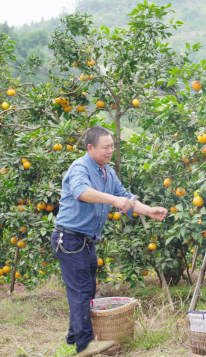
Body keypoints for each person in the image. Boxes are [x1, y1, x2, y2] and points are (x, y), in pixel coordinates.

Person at [52, 126, 167, 357]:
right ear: (90, 147)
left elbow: (125, 197)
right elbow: (81, 192)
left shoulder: (107, 172)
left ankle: (74, 336)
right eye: (106, 147)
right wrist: (113, 200)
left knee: (88, 287)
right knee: (81, 289)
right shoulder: (80, 168)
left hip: (87, 240)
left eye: (113, 146)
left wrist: (149, 211)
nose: (110, 151)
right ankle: (84, 345)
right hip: (69, 238)